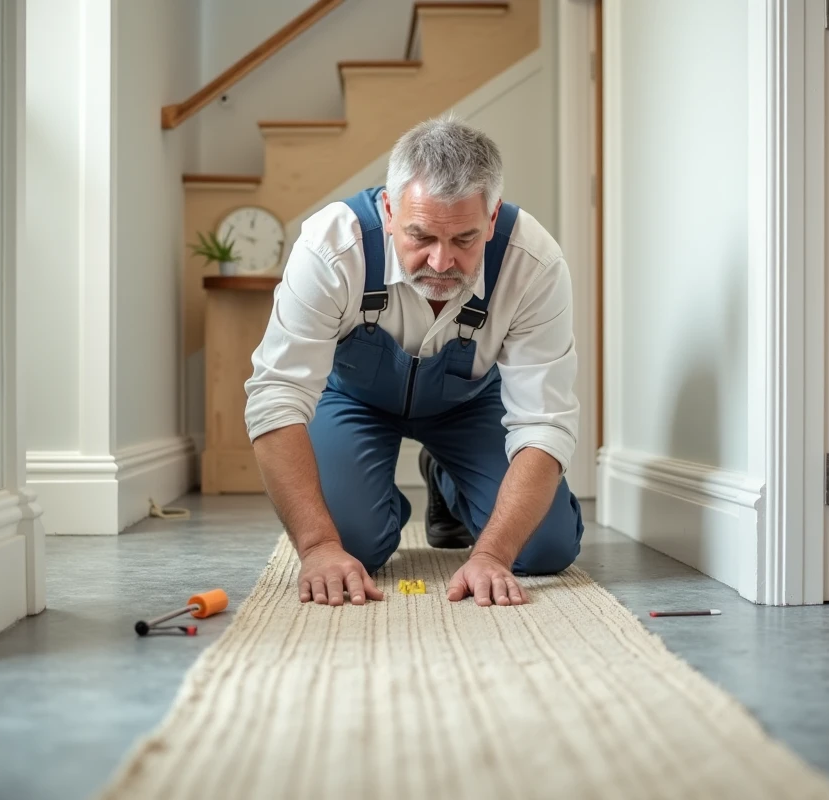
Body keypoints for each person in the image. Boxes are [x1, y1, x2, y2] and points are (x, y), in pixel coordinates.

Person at [244, 116, 584, 608]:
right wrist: (318, 547)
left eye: (464, 239)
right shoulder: (332, 247)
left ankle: (448, 481)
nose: (441, 263)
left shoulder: (533, 263)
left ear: (491, 219)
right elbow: (276, 397)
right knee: (350, 544)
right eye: (420, 237)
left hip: (470, 404)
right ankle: (375, 500)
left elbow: (545, 424)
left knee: (544, 547)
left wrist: (492, 554)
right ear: (389, 209)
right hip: (354, 402)